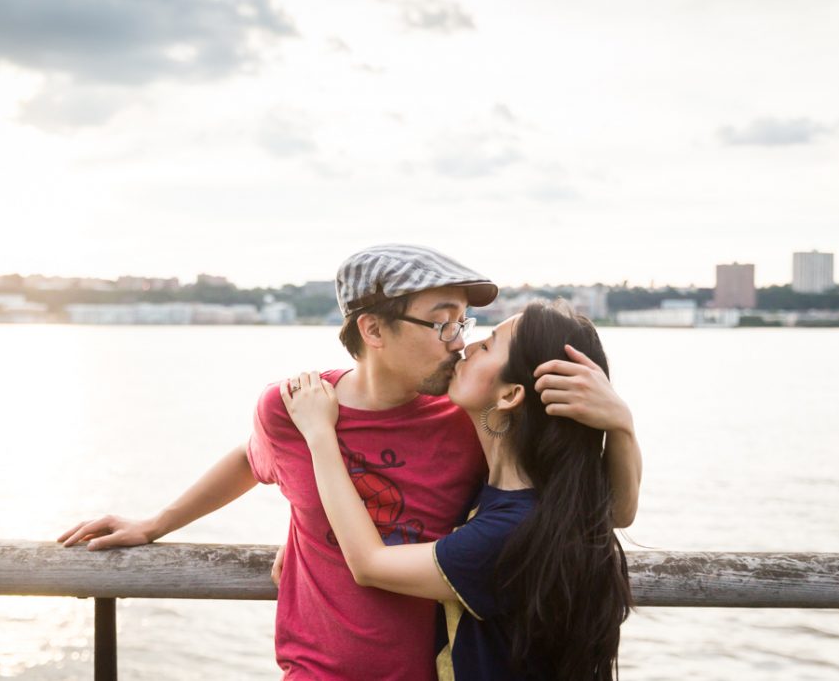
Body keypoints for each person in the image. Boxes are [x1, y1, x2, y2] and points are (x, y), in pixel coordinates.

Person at [58, 244, 642, 680]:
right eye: (443, 321)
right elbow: (251, 458)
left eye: (465, 323)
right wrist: (160, 524)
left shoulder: (468, 421)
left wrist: (619, 423)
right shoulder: (293, 406)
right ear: (373, 329)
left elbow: (590, 506)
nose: (459, 340)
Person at [281, 301, 632, 680]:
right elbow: (620, 511)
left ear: (510, 395)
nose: (467, 345)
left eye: (488, 345)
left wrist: (319, 434)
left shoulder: (509, 532)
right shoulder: (545, 499)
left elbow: (369, 564)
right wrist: (621, 426)